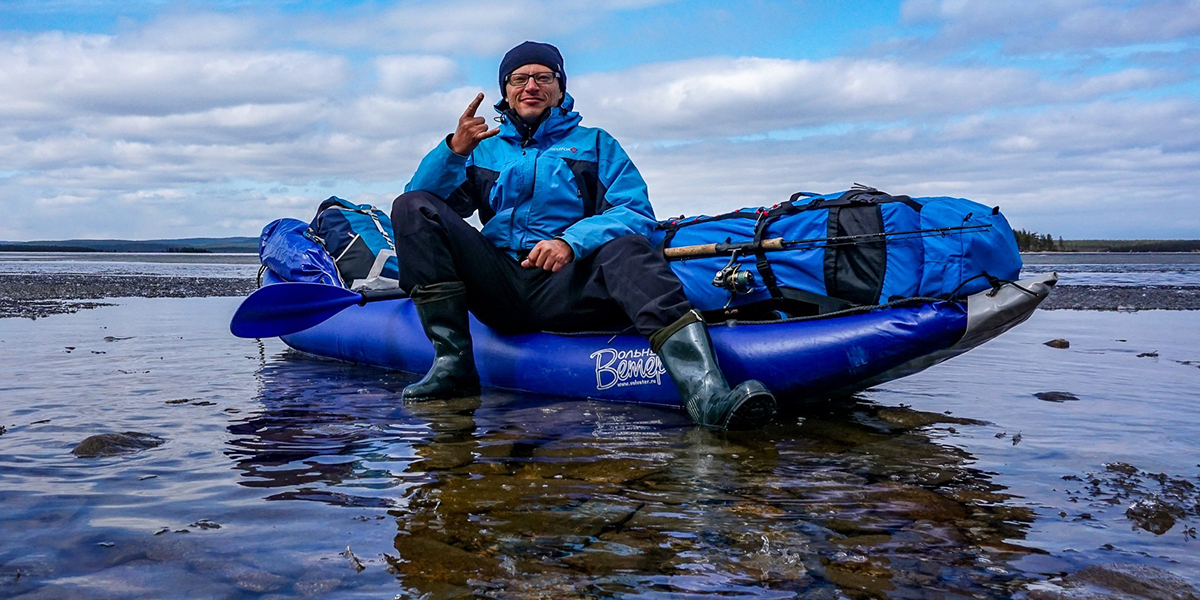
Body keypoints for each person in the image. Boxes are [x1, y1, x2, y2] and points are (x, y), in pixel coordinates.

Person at [391, 41, 775, 430]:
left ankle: (707, 395)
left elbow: (635, 212)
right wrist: (453, 151)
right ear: (505, 91)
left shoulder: (597, 144)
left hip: (566, 286)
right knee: (411, 206)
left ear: (560, 87)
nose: (531, 86)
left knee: (627, 248)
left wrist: (570, 243)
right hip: (501, 285)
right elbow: (421, 207)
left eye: (543, 77)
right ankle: (453, 367)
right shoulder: (480, 150)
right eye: (519, 79)